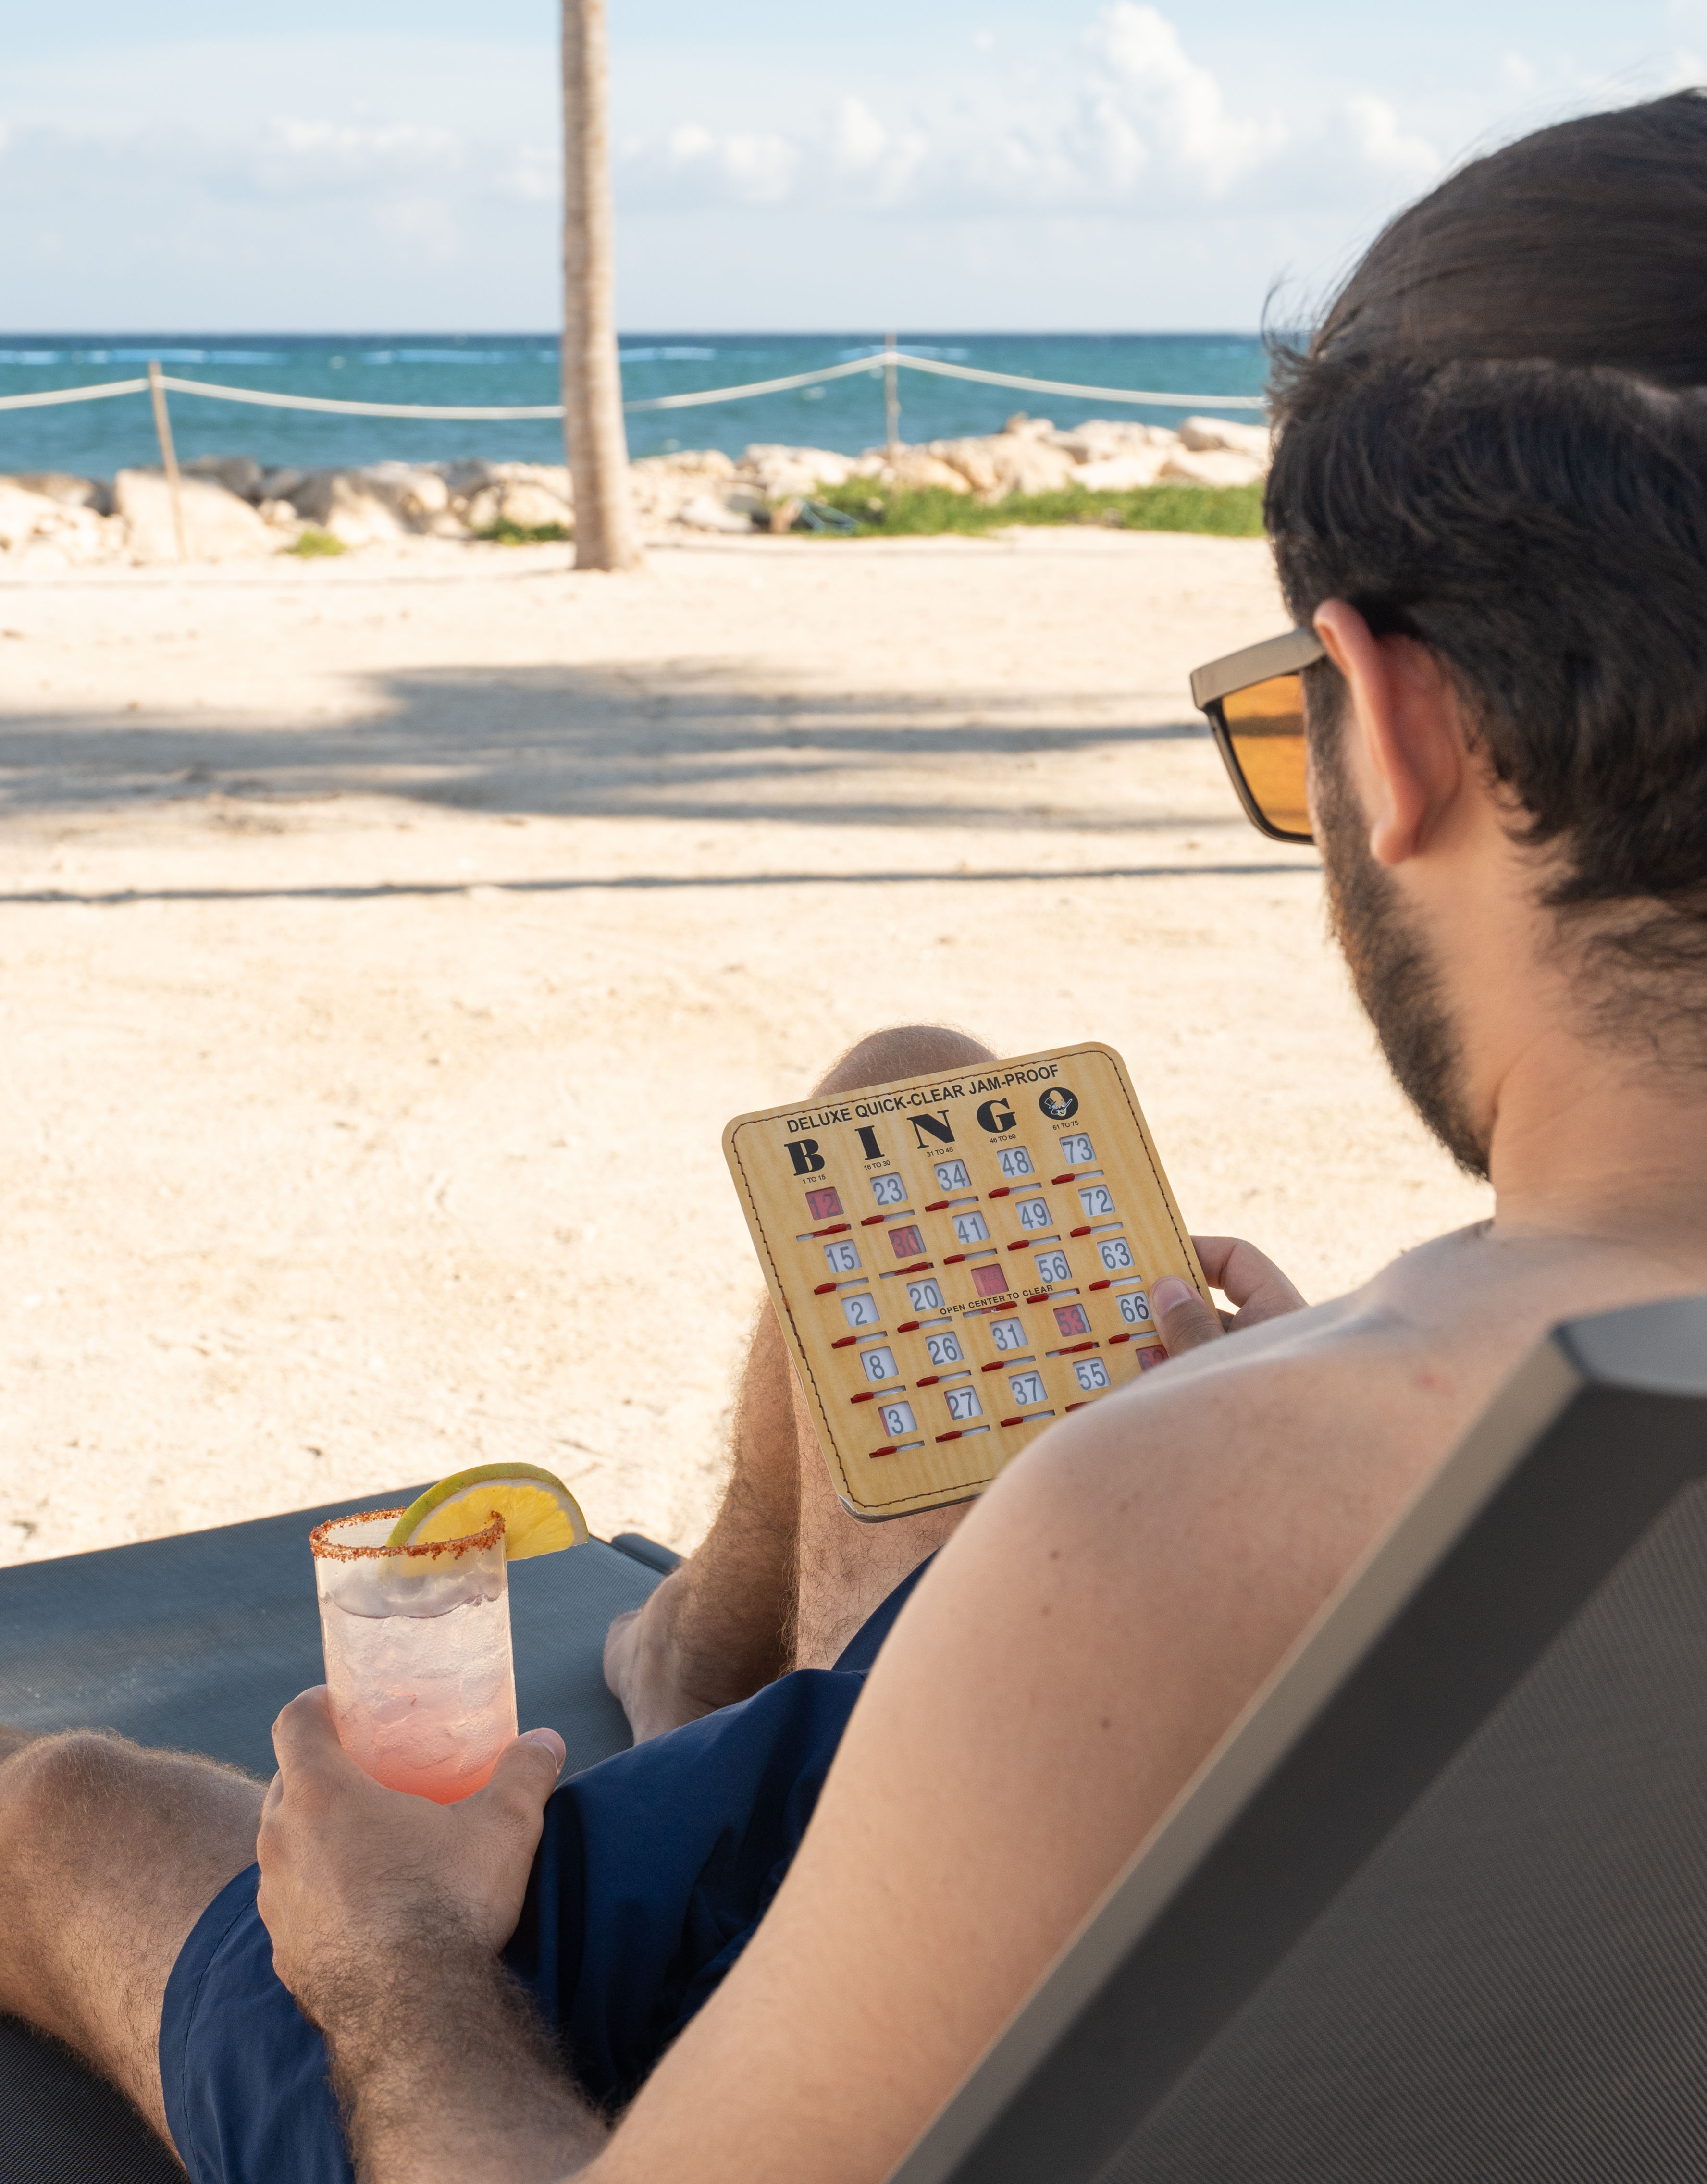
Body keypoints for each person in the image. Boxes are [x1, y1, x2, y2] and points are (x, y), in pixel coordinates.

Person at [6, 86, 1707, 2184]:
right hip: (1159, 1813)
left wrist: (398, 1961)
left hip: (639, 2040)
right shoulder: (1406, 1455)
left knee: (65, 1816)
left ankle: (641, 1755)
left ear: (1409, 728)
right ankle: (686, 1672)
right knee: (908, 1090)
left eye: (1295, 730)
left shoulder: (1187, 1524)